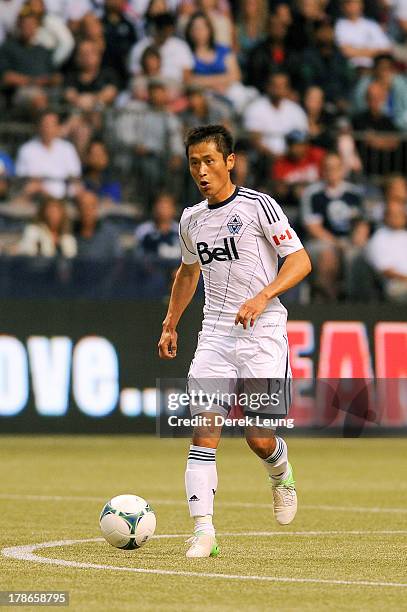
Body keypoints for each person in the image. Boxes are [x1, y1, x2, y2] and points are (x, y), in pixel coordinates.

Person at [158, 124, 311, 558]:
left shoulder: (259, 206)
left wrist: (263, 297)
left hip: (262, 332)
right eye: (194, 163)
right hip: (215, 335)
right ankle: (203, 531)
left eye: (209, 161)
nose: (201, 171)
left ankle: (280, 473)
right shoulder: (191, 219)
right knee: (203, 431)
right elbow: (188, 273)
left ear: (230, 162)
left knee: (258, 437)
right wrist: (171, 322)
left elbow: (300, 261)